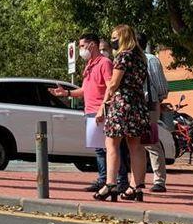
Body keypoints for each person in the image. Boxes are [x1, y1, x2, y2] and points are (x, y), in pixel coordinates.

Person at [49, 33, 125, 192]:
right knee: (99, 148)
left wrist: (103, 109)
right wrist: (67, 94)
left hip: (101, 111)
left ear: (92, 45)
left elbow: (111, 86)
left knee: (109, 148)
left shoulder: (105, 63)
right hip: (90, 111)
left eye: (83, 46)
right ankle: (104, 180)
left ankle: (119, 181)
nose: (81, 49)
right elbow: (85, 89)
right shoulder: (90, 64)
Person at [94, 25, 150, 202]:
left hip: (122, 104)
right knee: (136, 146)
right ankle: (136, 187)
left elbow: (113, 83)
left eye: (114, 37)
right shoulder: (141, 58)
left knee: (111, 143)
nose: (112, 41)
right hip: (137, 104)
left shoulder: (123, 56)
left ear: (123, 37)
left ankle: (110, 185)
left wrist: (103, 103)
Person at [138, 33, 170, 192]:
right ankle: (138, 180)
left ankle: (159, 180)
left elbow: (161, 87)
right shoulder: (130, 60)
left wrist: (158, 100)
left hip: (148, 104)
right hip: (135, 104)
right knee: (136, 144)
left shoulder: (150, 59)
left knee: (150, 142)